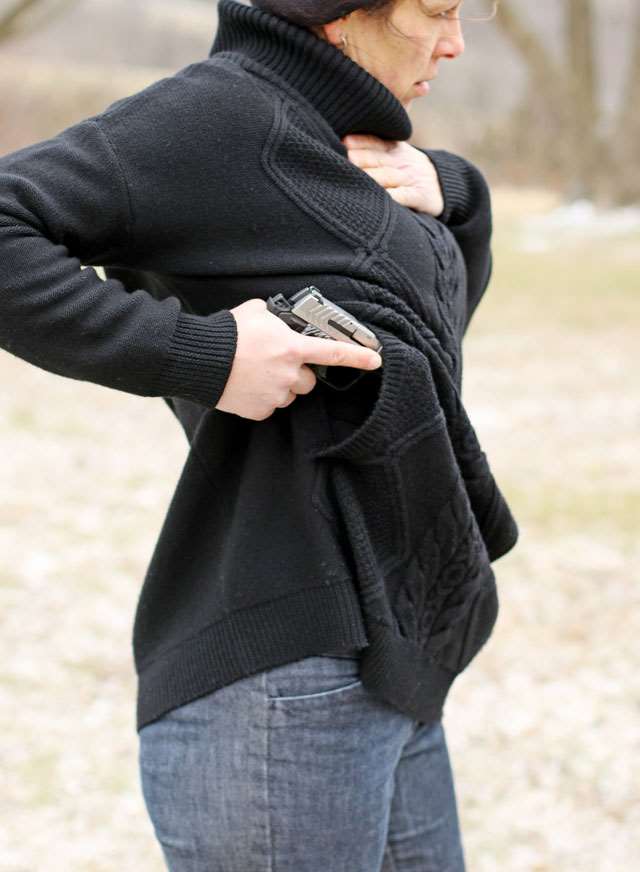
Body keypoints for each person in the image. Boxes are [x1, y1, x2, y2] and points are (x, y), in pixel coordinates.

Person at [0, 1, 516, 870]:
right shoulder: (219, 113)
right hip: (279, 684)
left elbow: (435, 335)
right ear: (339, 11)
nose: (455, 43)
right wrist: (205, 353)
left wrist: (457, 191)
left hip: (392, 659)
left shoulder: (342, 144)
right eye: (437, 10)